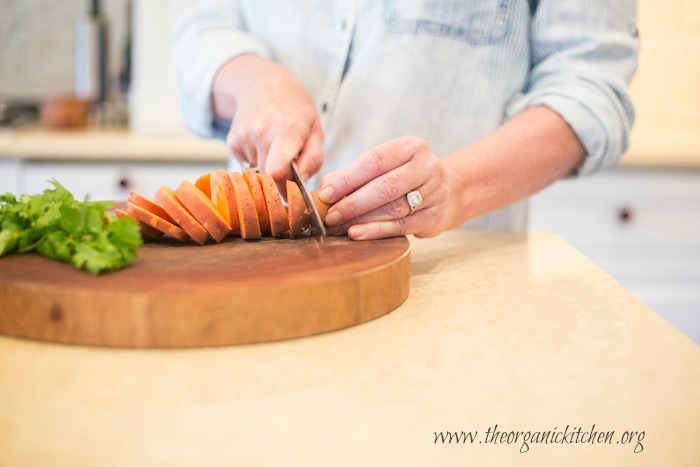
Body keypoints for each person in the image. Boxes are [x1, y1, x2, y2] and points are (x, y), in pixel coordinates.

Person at [173, 0, 638, 240]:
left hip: (446, 272)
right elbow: (203, 24)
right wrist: (252, 79)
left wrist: (454, 187)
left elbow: (589, 87)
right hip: (260, 266)